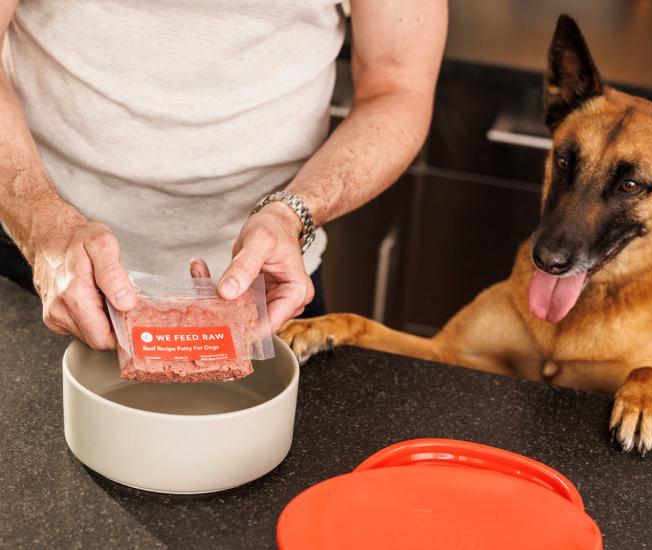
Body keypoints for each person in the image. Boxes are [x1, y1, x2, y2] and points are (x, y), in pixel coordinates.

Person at [0, 1, 447, 350]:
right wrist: (44, 230)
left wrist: (293, 215)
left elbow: (398, 87)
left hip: (272, 286)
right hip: (41, 268)